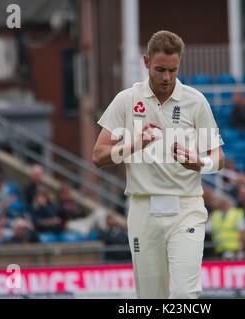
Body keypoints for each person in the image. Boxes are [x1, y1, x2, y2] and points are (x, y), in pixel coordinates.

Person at [92, 30, 224, 299]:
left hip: (186, 207)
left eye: (173, 70)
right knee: (151, 297)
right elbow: (99, 155)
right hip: (143, 209)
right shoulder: (127, 100)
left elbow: (219, 158)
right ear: (146, 62)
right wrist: (134, 144)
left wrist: (200, 162)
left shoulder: (196, 101)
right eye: (160, 69)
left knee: (186, 294)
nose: (166, 78)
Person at [206, 195, 245, 260]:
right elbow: (206, 229)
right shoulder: (215, 215)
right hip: (220, 251)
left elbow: (244, 232)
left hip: (236, 251)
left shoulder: (236, 213)